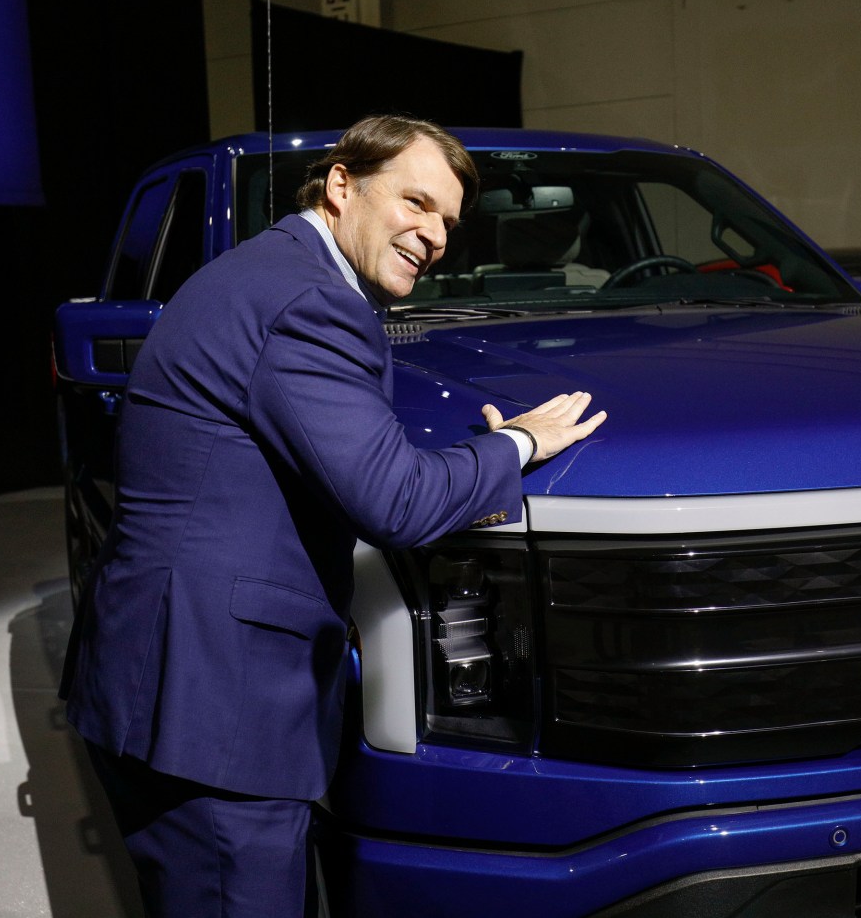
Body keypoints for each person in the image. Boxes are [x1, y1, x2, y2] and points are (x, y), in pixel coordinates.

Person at [60, 114, 606, 917]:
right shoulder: (309, 304)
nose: (434, 235)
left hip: (175, 681)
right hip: (214, 715)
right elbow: (394, 498)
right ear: (343, 184)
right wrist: (518, 444)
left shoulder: (267, 272)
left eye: (449, 222)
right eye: (416, 202)